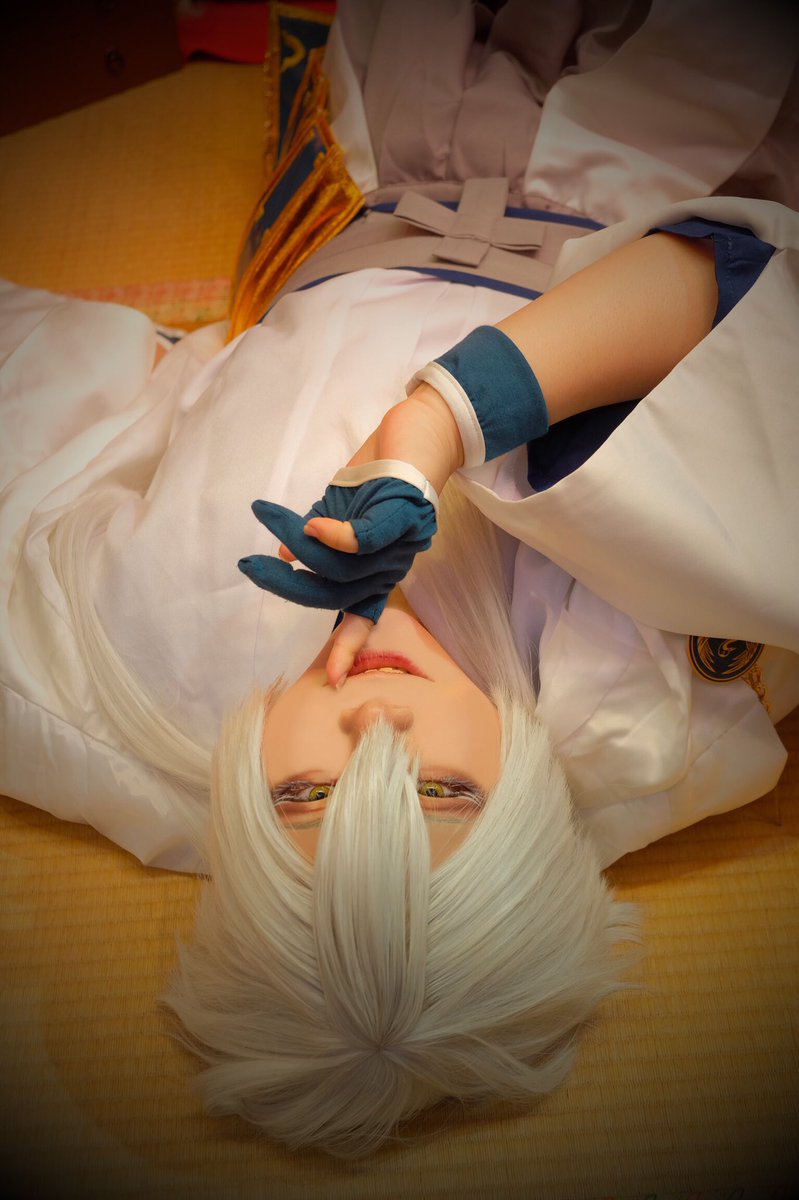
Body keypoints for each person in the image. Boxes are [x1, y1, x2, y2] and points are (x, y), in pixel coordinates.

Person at [2, 0, 798, 1159]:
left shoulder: (130, 684)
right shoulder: (650, 703)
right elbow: (732, 283)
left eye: (303, 797)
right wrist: (440, 426)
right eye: (442, 792)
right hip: (651, 164)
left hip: (378, 149)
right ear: (526, 814)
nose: (370, 725)